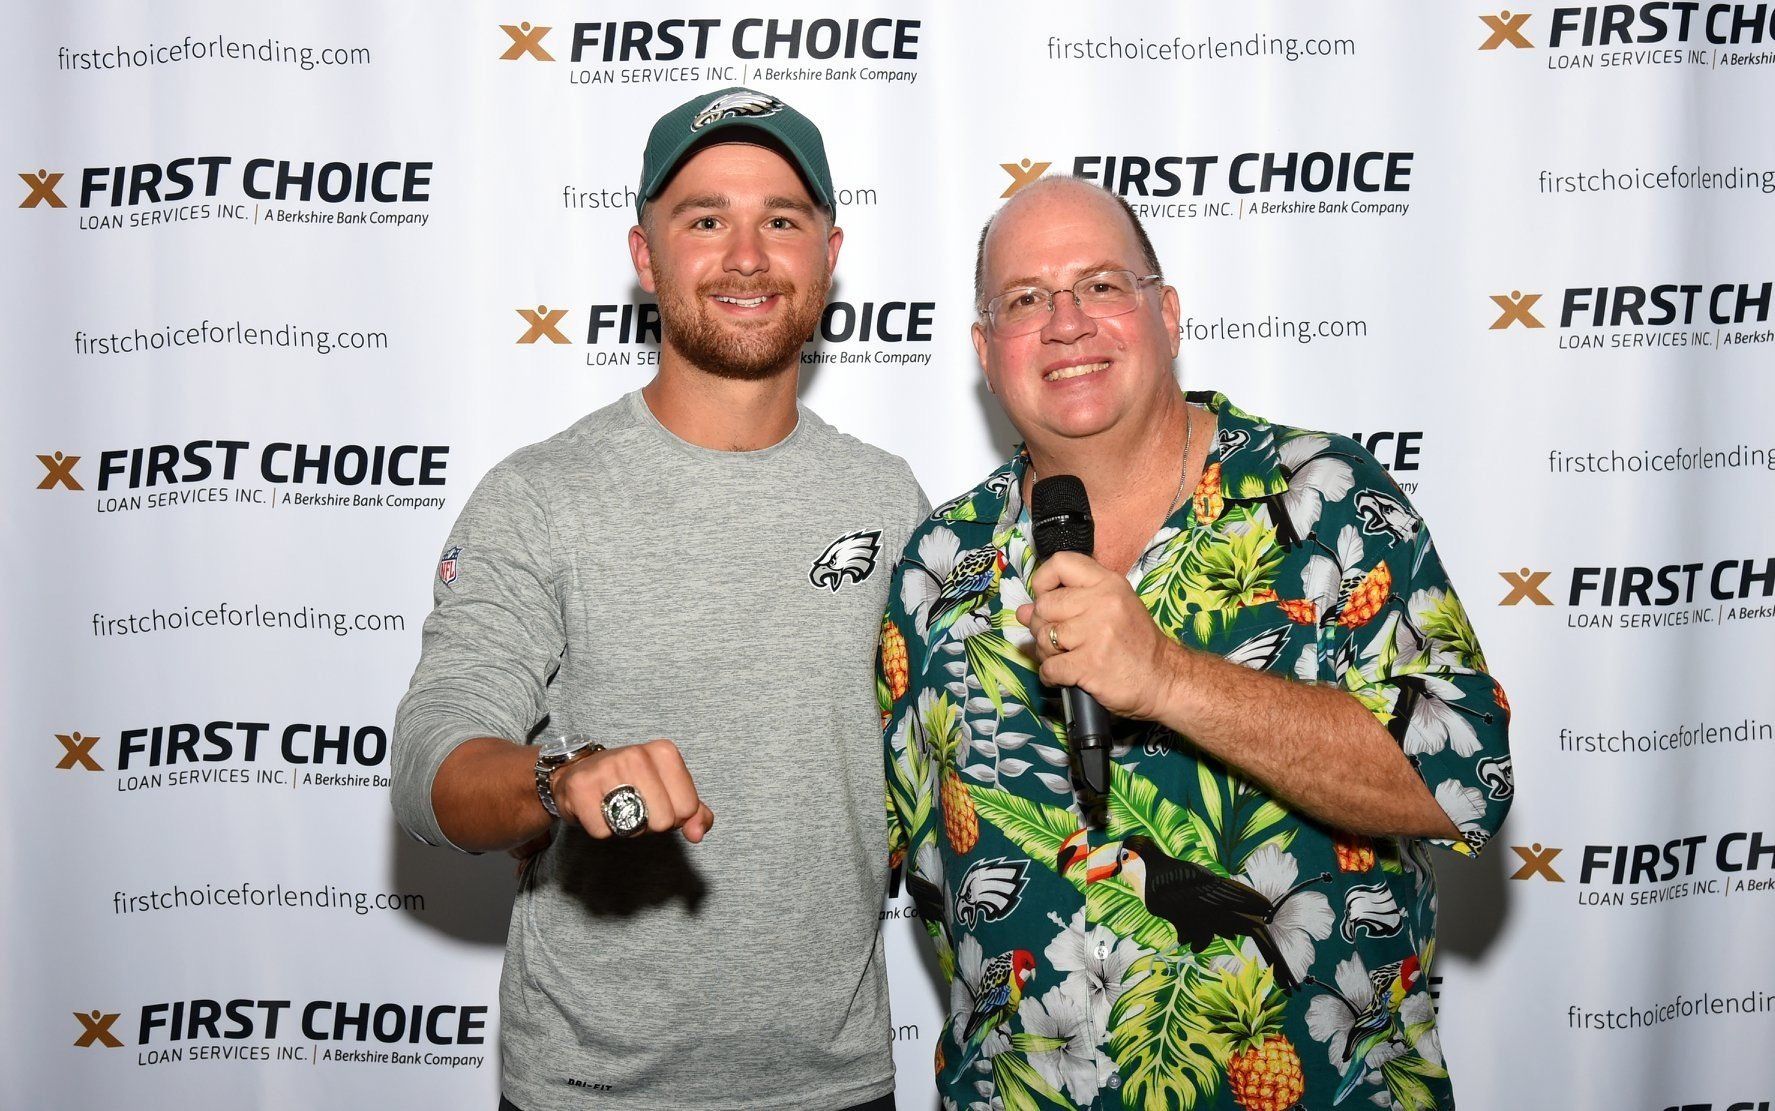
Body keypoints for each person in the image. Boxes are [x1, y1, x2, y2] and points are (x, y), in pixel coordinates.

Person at [880, 176, 1511, 1111]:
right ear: (984, 350)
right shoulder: (939, 564)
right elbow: (871, 845)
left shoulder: (1322, 497)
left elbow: (1466, 782)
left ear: (1166, 313)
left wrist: (1169, 678)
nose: (1065, 323)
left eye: (1100, 285)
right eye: (1025, 299)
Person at [392, 87, 927, 1111]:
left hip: (835, 1079)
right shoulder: (539, 494)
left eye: (781, 220)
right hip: (591, 1086)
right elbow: (430, 764)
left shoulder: (887, 498)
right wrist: (560, 779)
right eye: (704, 220)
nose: (746, 256)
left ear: (828, 254)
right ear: (645, 256)